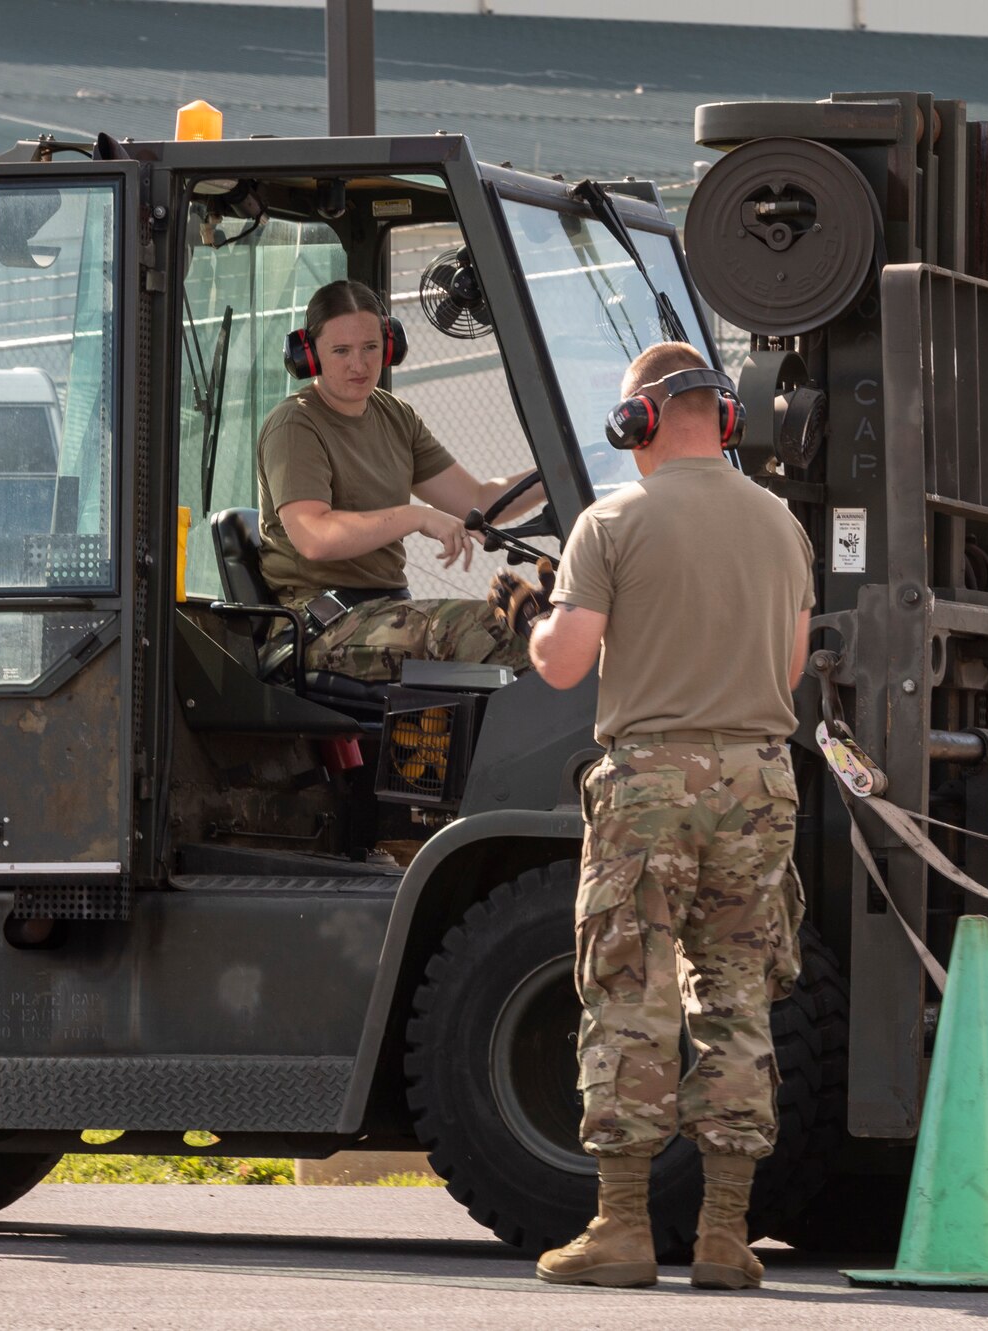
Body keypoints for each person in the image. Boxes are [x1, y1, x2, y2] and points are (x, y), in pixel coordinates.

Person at [502, 341, 813, 1291]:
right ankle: (725, 1233)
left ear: (637, 419)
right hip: (759, 783)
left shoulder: (612, 521)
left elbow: (563, 662)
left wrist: (534, 615)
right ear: (724, 421)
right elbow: (791, 669)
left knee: (630, 995)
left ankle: (623, 1227)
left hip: (650, 784)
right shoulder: (783, 526)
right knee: (736, 993)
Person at [255, 279, 536, 681]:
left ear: (389, 346)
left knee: (543, 626)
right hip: (320, 624)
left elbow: (479, 499)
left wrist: (557, 476)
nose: (359, 364)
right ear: (308, 354)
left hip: (385, 611)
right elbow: (314, 536)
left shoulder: (395, 416)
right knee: (490, 632)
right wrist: (416, 516)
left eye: (370, 347)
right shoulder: (295, 424)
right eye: (341, 351)